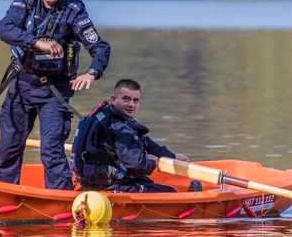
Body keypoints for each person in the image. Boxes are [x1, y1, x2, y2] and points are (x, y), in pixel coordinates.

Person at [0, 0, 110, 190]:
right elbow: (4, 28)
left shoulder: (74, 11)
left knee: (52, 152)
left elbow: (100, 47)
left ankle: (61, 201)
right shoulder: (25, 0)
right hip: (22, 84)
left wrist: (92, 73)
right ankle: (4, 194)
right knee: (9, 146)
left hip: (54, 91)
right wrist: (37, 42)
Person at [71, 79, 201, 193]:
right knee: (170, 192)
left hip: (90, 182)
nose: (131, 105)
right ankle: (194, 201)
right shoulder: (120, 127)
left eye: (135, 100)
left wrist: (173, 157)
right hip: (113, 186)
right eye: (126, 99)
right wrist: (151, 161)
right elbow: (137, 166)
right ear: (113, 99)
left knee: (149, 183)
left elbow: (144, 142)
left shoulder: (105, 116)